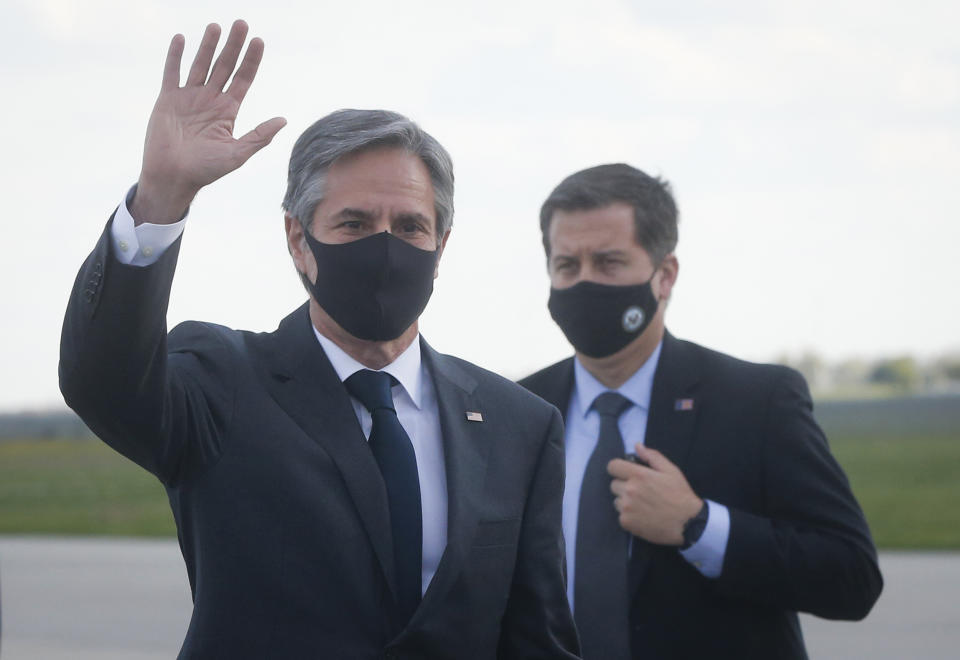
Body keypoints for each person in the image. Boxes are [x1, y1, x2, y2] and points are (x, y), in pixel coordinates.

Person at [59, 21, 579, 660]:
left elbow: (537, 638)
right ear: (299, 240)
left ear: (441, 246)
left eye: (410, 226)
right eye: (354, 223)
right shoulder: (224, 383)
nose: (385, 249)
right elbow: (103, 382)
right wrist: (163, 196)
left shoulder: (517, 425)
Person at [519, 163, 883, 659]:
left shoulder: (758, 402)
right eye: (567, 266)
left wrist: (698, 525)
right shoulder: (518, 411)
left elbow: (851, 577)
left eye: (608, 263)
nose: (584, 283)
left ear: (664, 275)